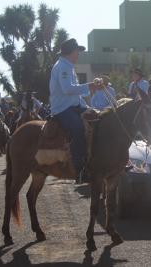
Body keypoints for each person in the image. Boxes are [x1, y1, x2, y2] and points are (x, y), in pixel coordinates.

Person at [49, 38, 100, 177]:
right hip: (62, 109)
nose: (79, 54)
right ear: (70, 52)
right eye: (77, 51)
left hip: (73, 107)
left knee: (99, 118)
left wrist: (90, 107)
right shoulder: (63, 67)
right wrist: (90, 86)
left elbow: (75, 96)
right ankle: (80, 168)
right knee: (78, 128)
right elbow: (67, 89)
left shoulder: (68, 66)